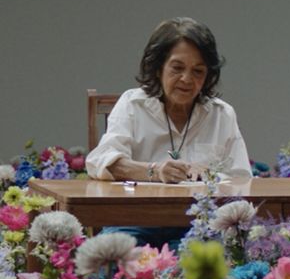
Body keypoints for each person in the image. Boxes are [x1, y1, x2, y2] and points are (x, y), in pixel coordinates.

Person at [86, 17, 252, 249]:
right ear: (157, 68)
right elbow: (99, 162)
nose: (187, 79)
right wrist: (153, 171)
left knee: (202, 265)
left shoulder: (221, 114)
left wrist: (212, 176)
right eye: (177, 68)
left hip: (198, 225)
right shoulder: (133, 105)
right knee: (115, 257)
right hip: (134, 219)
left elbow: (242, 181)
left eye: (198, 71)